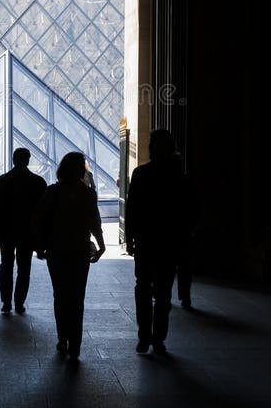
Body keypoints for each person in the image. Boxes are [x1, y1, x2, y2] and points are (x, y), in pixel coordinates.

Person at [124, 129, 199, 355]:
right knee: (163, 292)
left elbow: (132, 208)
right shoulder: (180, 178)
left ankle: (144, 336)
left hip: (147, 241)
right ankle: (157, 339)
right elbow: (190, 212)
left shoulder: (140, 174)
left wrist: (129, 238)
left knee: (143, 290)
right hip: (169, 242)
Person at [32, 151, 106, 362]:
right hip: (80, 250)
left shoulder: (52, 192)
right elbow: (95, 223)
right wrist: (100, 246)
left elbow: (38, 219)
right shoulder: (88, 194)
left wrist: (39, 247)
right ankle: (75, 344)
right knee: (77, 297)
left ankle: (62, 337)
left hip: (57, 250)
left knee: (60, 295)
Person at [0, 147, 47, 314]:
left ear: (13, 160)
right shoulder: (38, 182)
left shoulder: (2, 181)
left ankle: (6, 302)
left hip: (6, 231)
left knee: (6, 265)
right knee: (24, 267)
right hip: (28, 233)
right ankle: (19, 302)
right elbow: (44, 212)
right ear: (28, 160)